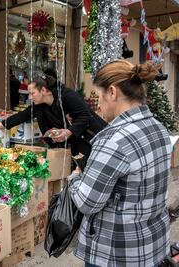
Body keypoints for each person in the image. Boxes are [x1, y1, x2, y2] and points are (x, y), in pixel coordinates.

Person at [69, 61, 171, 267]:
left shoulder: (113, 139)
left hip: (116, 253)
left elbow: (87, 202)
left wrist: (75, 178)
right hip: (152, 246)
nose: (98, 105)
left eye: (99, 96)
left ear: (112, 92)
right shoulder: (158, 128)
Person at [0, 72, 107, 165]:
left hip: (93, 138)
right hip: (75, 144)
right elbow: (24, 114)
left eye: (32, 93)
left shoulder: (68, 96)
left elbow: (85, 115)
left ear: (43, 90)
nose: (29, 97)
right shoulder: (40, 105)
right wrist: (0, 125)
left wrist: (69, 132)